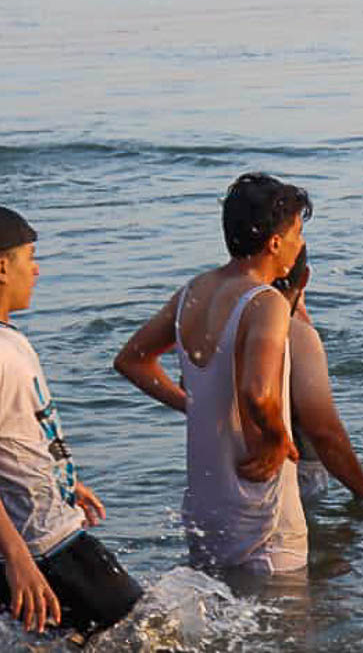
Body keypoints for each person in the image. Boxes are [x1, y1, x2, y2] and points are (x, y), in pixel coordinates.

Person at [0, 206, 141, 636]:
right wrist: (18, 558)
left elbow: (16, 430)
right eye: (30, 258)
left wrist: (62, 480)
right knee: (152, 632)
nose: (37, 270)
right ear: (3, 268)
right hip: (43, 548)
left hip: (39, 537)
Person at [114, 173, 311, 574]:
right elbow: (258, 392)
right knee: (285, 629)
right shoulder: (266, 302)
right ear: (274, 242)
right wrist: (277, 438)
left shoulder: (194, 290)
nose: (301, 244)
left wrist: (194, 405)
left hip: (207, 503)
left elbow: (132, 360)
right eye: (297, 232)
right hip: (259, 503)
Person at [274, 246, 363, 502]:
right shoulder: (297, 337)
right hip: (293, 478)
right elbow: (324, 433)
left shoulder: (213, 312)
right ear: (305, 279)